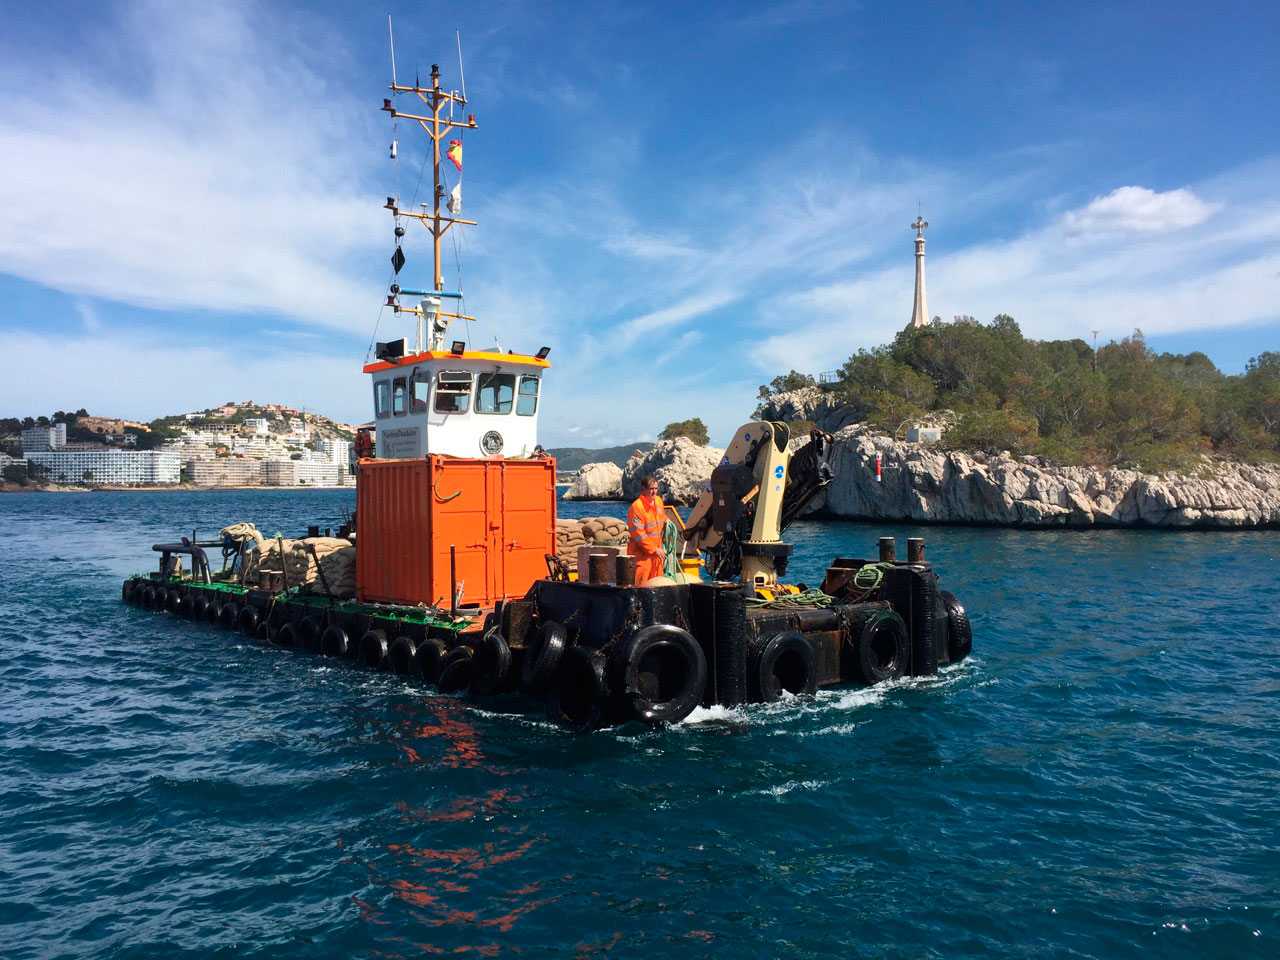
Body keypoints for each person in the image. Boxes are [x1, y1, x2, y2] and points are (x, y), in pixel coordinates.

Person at [627, 475, 667, 584]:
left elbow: (661, 517)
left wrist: (668, 522)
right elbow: (638, 534)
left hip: (657, 556)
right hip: (642, 556)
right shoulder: (637, 507)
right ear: (643, 489)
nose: (654, 492)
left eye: (656, 489)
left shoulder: (658, 501)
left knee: (658, 584)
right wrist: (654, 549)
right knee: (641, 586)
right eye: (651, 489)